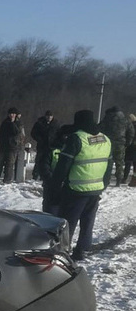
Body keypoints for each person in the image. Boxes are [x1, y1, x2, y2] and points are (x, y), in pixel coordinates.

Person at [48, 110, 112, 261]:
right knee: (88, 221)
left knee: (68, 223)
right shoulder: (106, 139)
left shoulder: (77, 139)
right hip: (95, 189)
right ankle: (82, 250)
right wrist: (103, 185)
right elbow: (109, 167)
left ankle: (62, 251)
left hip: (76, 190)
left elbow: (63, 165)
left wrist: (55, 186)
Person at [98, 106, 135, 186]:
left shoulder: (107, 119)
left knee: (107, 162)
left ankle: (106, 180)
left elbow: (99, 129)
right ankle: (118, 180)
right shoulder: (125, 120)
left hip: (107, 144)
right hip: (120, 144)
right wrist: (128, 143)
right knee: (119, 163)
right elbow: (131, 132)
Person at [0, 107, 21, 183]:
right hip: (3, 146)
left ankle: (7, 180)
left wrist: (12, 123)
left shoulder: (18, 123)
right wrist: (1, 141)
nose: (12, 115)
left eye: (13, 114)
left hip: (12, 147)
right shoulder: (4, 122)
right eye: (10, 114)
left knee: (9, 164)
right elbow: (0, 133)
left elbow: (17, 132)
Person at [31, 110, 60, 180]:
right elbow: (33, 133)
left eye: (50, 116)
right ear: (45, 116)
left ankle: (47, 176)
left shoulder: (56, 124)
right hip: (42, 145)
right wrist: (40, 140)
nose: (49, 117)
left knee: (49, 162)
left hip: (51, 146)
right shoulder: (39, 123)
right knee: (39, 161)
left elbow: (59, 134)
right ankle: (35, 175)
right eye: (48, 116)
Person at [123, 113, 136, 187]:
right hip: (134, 147)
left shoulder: (129, 126)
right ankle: (133, 179)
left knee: (127, 163)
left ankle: (125, 178)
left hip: (130, 147)